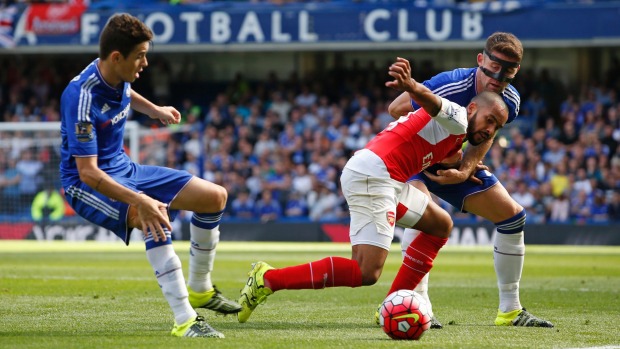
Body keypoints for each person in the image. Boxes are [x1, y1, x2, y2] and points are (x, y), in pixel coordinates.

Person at [236, 57, 509, 324]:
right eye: (489, 120)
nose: (490, 129)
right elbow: (432, 101)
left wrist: (465, 169)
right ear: (472, 108)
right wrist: (411, 86)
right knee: (366, 272)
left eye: (496, 127)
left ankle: (391, 305)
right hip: (375, 175)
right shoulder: (459, 117)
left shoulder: (456, 135)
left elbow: (443, 158)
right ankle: (268, 279)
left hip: (386, 177)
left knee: (440, 224)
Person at [59, 13, 240, 339]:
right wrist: (140, 200)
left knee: (215, 196)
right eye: (140, 55)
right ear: (117, 57)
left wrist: (154, 109)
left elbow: (125, 92)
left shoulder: (113, 71)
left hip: (125, 168)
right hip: (87, 183)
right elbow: (87, 173)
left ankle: (200, 287)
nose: (145, 62)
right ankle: (185, 319)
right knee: (152, 215)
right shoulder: (81, 98)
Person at [387, 32, 554, 328]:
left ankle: (511, 311)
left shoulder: (510, 101)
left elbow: (484, 137)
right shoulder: (451, 85)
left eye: (509, 70)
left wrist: (465, 169)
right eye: (495, 65)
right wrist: (437, 130)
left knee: (513, 217)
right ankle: (417, 304)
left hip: (454, 162)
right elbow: (397, 108)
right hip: (415, 157)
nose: (499, 75)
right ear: (480, 60)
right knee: (423, 214)